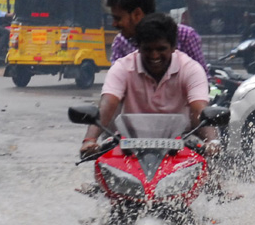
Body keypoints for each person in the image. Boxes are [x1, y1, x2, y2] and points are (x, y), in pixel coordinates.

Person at [78, 13, 216, 157]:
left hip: (181, 142)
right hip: (128, 143)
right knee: (103, 165)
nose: (154, 56)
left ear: (173, 47)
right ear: (138, 47)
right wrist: (89, 140)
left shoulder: (191, 69)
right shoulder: (122, 68)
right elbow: (107, 105)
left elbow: (199, 109)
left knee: (207, 170)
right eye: (148, 49)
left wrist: (212, 142)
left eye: (161, 49)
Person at [107, 0, 206, 71]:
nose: (114, 24)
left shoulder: (184, 36)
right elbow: (115, 82)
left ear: (137, 14)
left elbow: (202, 79)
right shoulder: (121, 42)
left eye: (118, 18)